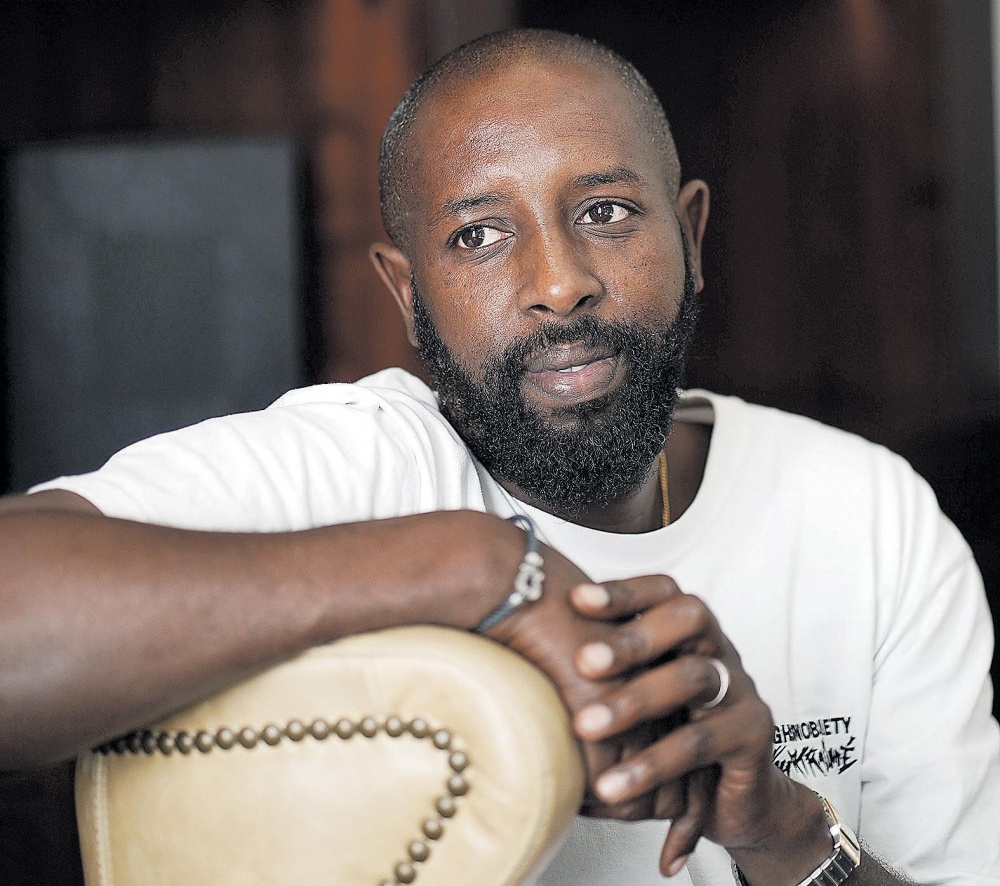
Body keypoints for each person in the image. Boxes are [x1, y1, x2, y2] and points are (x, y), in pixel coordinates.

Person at [1, 27, 997, 886]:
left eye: (605, 212)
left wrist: (782, 830)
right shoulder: (358, 465)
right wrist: (474, 568)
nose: (559, 283)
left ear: (691, 235)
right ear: (408, 296)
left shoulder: (870, 514)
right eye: (478, 235)